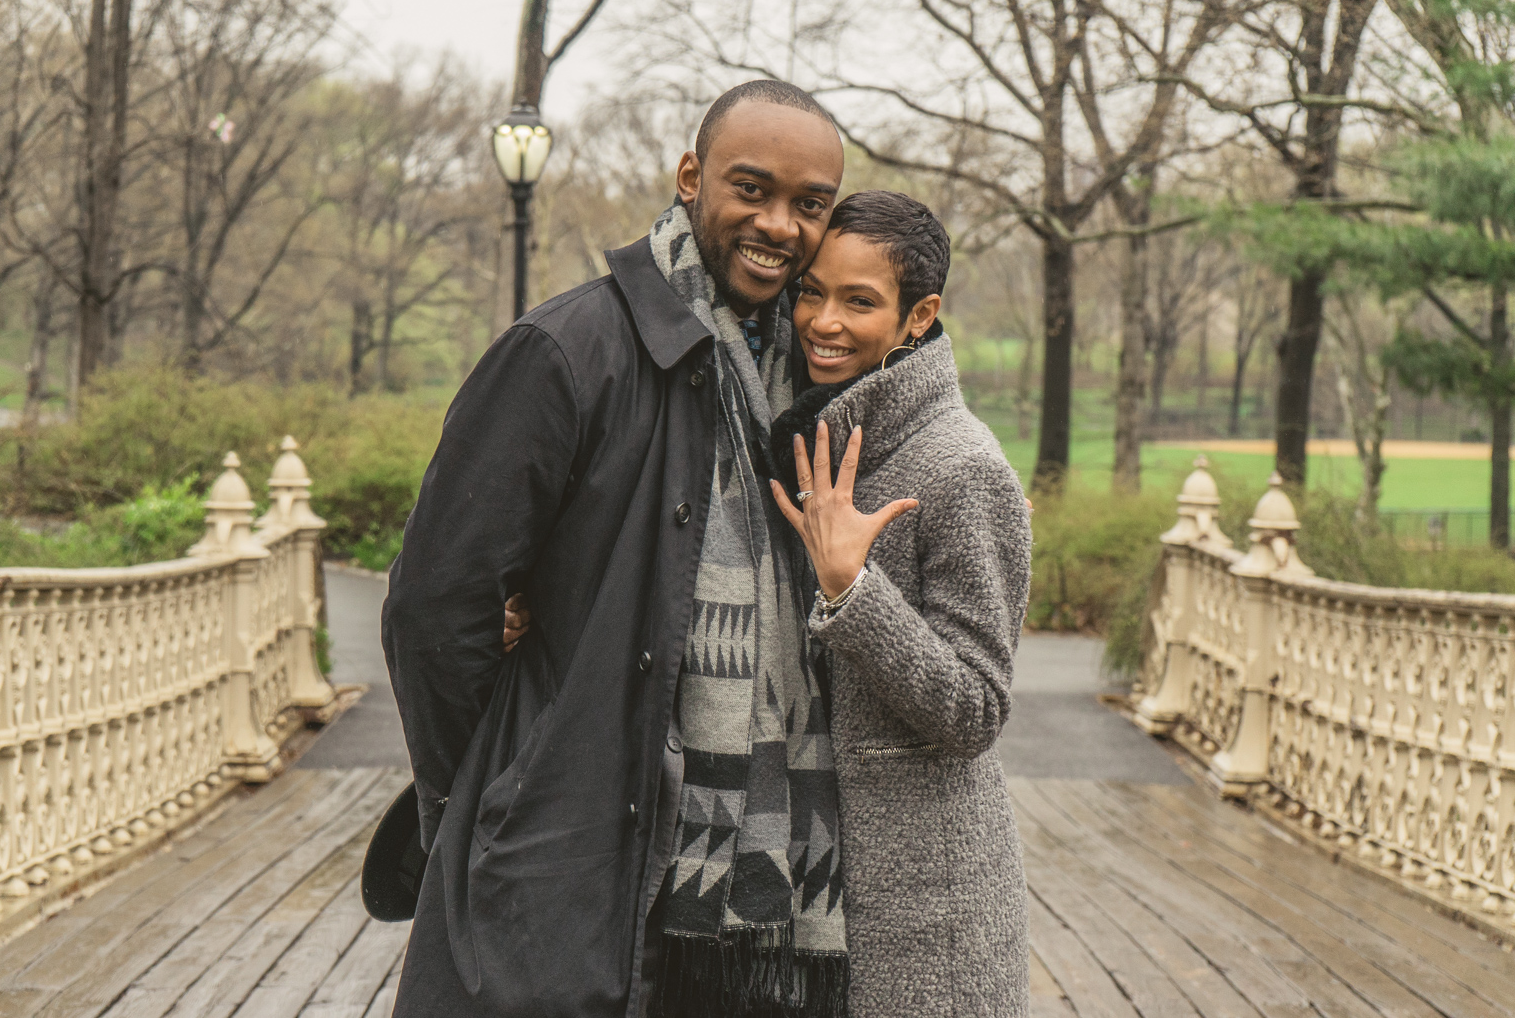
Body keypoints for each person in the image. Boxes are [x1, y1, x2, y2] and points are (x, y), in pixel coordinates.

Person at [381, 80, 850, 1018]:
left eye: (809, 204)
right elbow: (436, 606)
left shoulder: (808, 378)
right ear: (689, 178)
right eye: (750, 189)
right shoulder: (568, 350)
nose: (778, 224)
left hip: (751, 898)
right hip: (570, 856)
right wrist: (488, 786)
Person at [767, 190, 1033, 1018]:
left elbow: (976, 709)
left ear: (920, 315)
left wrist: (855, 590)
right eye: (811, 291)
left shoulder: (962, 467)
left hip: (930, 916)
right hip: (813, 888)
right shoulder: (809, 436)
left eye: (859, 300)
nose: (823, 321)